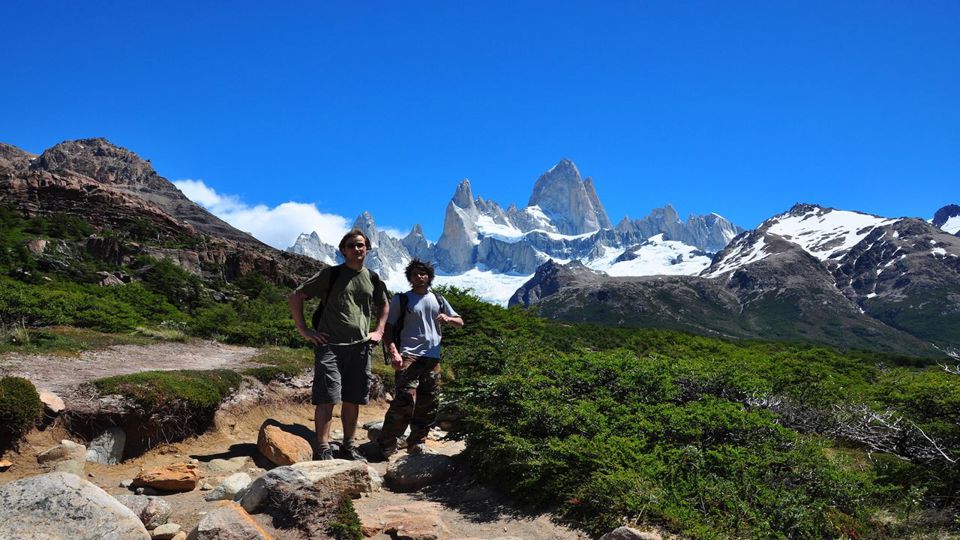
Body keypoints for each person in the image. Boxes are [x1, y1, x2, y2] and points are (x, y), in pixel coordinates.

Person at [288, 229, 388, 461]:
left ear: (368, 248)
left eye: (361, 245)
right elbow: (296, 296)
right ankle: (322, 448)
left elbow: (384, 305)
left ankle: (348, 446)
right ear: (343, 250)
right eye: (352, 245)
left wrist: (379, 330)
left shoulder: (372, 278)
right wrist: (304, 330)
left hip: (361, 347)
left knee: (353, 398)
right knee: (327, 397)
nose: (357, 249)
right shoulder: (330, 275)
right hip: (330, 345)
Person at [376, 259, 463, 459]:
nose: (419, 277)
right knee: (404, 399)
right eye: (415, 274)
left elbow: (460, 321)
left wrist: (448, 319)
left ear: (429, 276)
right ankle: (386, 444)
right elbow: (389, 328)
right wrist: (394, 352)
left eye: (422, 273)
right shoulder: (402, 299)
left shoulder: (439, 299)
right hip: (409, 355)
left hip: (432, 357)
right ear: (410, 278)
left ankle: (417, 442)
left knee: (429, 402)